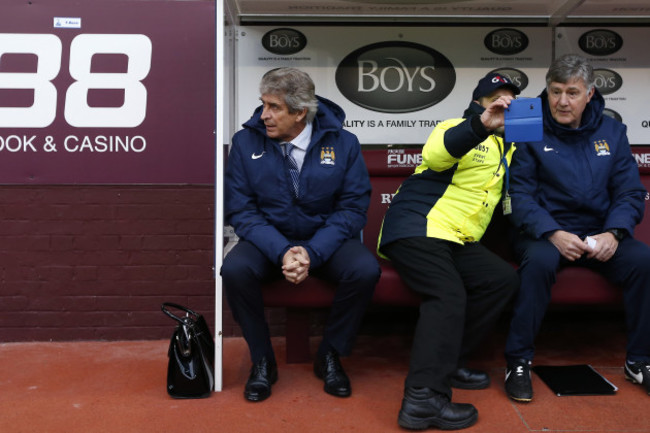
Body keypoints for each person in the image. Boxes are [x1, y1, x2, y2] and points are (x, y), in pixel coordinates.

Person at [220, 67, 380, 402]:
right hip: (267, 239)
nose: (264, 115)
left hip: (325, 240)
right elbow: (242, 211)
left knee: (365, 270)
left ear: (300, 113)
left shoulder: (344, 143)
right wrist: (282, 251)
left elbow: (351, 209)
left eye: (274, 107)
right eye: (263, 104)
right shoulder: (246, 142)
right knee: (234, 269)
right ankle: (263, 360)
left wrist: (312, 252)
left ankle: (330, 355)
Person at [377, 72, 520, 430]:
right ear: (479, 104)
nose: (504, 107)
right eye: (496, 100)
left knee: (500, 278)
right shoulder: (455, 126)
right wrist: (483, 124)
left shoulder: (515, 147)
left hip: (457, 240)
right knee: (447, 294)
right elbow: (438, 155)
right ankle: (422, 400)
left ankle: (450, 361)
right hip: (418, 227)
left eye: (511, 102)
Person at [504, 54, 650, 402]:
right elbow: (517, 194)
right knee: (538, 262)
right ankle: (518, 361)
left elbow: (630, 192)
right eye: (555, 92)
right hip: (543, 233)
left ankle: (640, 360)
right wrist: (552, 232)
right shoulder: (528, 126)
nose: (562, 101)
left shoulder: (613, 132)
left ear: (589, 94)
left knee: (643, 261)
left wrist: (614, 233)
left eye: (572, 92)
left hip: (598, 232)